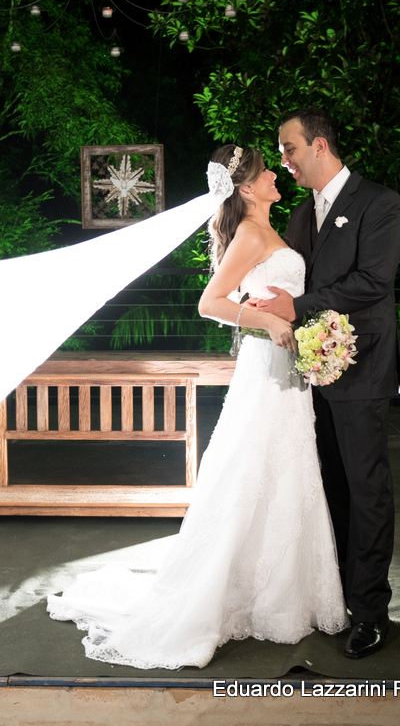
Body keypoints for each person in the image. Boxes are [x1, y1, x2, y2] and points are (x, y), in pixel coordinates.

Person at [46, 144, 348, 669]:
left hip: (287, 369)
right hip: (265, 368)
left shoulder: (272, 229)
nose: (275, 175)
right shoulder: (251, 234)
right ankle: (233, 595)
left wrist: (306, 331)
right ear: (247, 188)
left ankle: (280, 595)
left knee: (286, 470)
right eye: (266, 171)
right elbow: (210, 302)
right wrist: (269, 321)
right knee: (251, 470)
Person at [251, 108, 400, 659]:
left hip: (362, 366)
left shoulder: (379, 203)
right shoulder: (299, 214)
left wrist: (298, 305)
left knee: (366, 488)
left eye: (289, 149)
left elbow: (373, 281)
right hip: (307, 375)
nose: (284, 161)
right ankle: (333, 595)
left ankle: (371, 612)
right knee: (326, 486)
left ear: (319, 145)